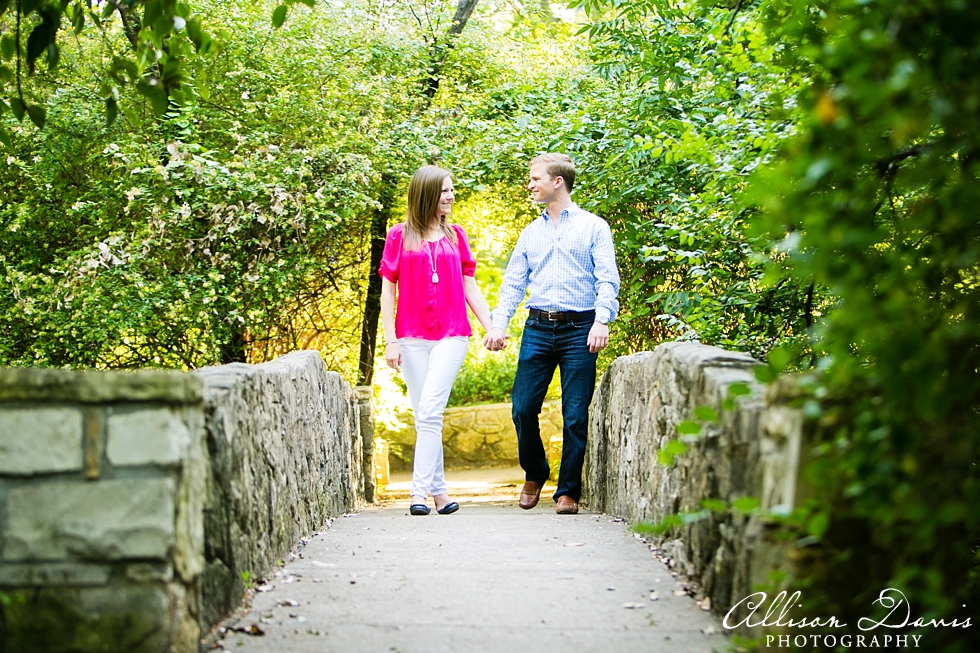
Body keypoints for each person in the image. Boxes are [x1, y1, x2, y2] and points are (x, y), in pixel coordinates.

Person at [483, 153, 620, 515]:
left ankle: (568, 491)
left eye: (535, 178)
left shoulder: (594, 227)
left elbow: (608, 278)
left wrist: (602, 320)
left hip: (581, 330)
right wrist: (498, 324)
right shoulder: (531, 233)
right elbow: (513, 283)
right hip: (538, 329)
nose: (530, 184)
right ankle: (536, 471)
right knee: (522, 408)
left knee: (575, 413)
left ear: (557, 181)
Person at [379, 165, 494, 516]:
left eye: (452, 190)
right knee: (425, 415)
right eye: (445, 190)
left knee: (430, 410)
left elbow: (470, 285)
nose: (451, 196)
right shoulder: (399, 235)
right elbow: (387, 289)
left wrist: (492, 326)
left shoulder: (456, 236)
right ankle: (441, 494)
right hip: (411, 337)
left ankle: (418, 494)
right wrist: (390, 340)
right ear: (427, 193)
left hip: (452, 333)